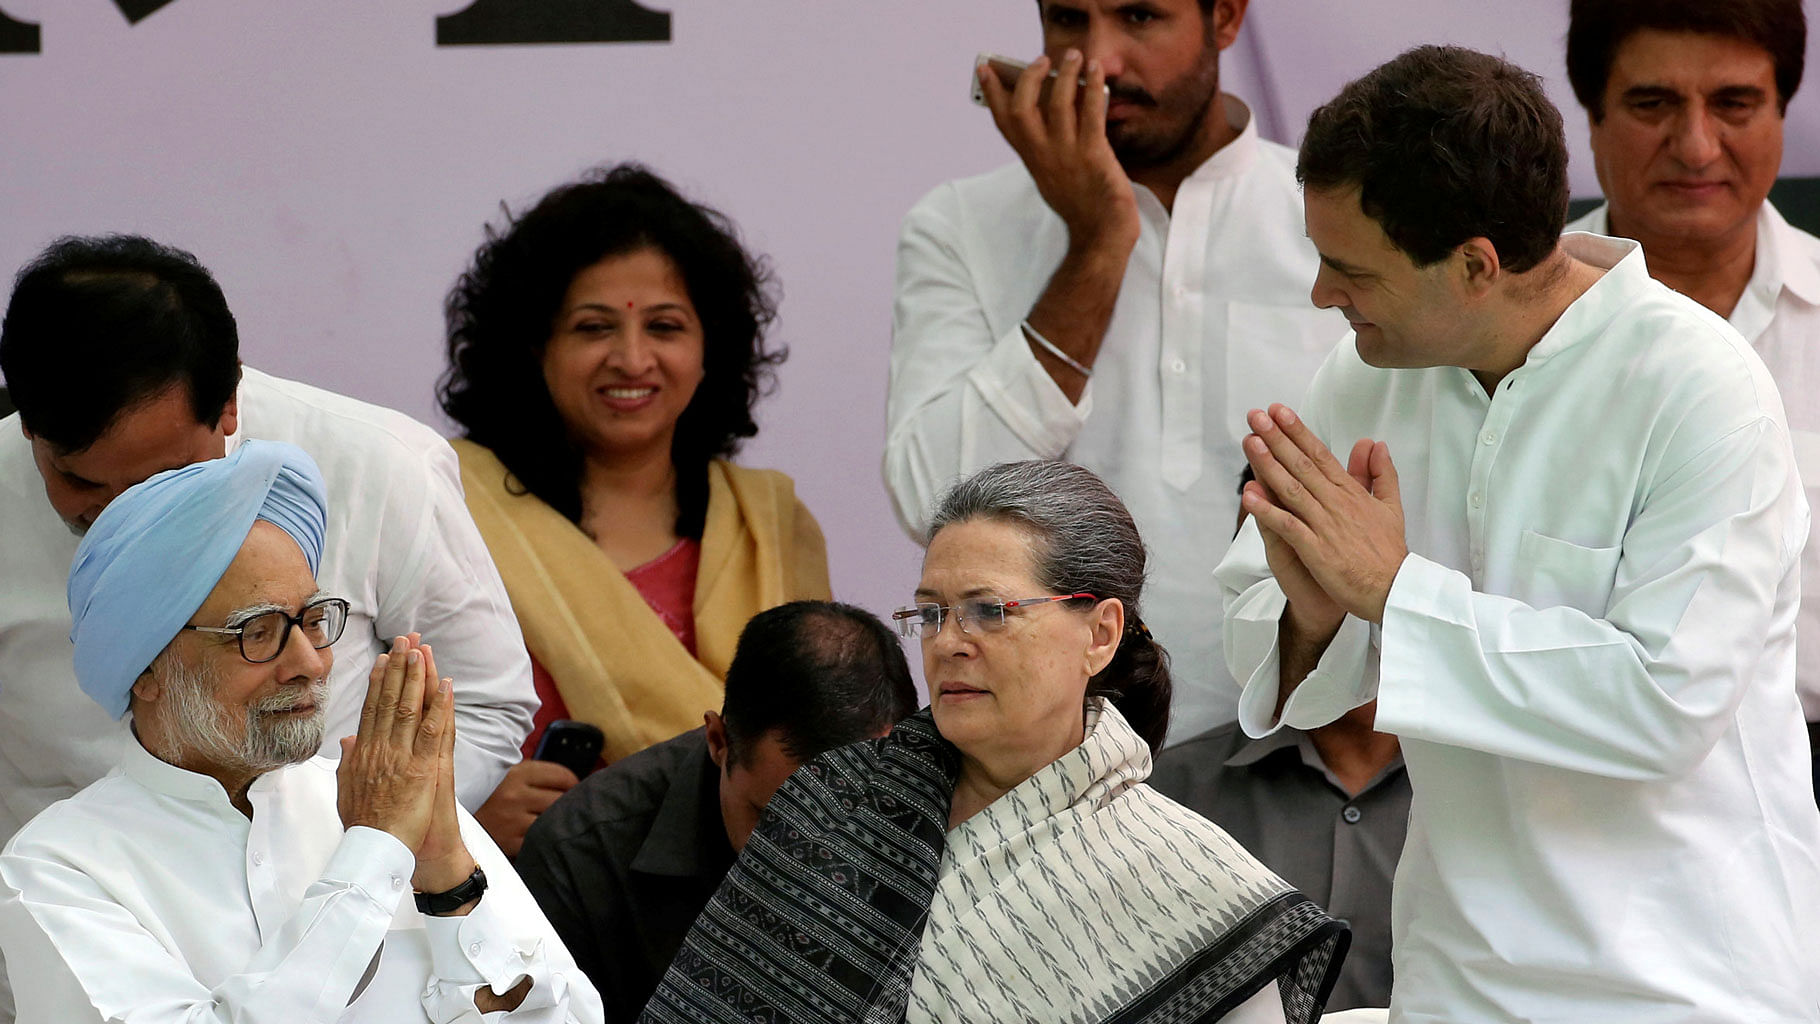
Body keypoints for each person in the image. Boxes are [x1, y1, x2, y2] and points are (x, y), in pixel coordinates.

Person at [1217, 45, 1820, 1021]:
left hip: (1687, 981)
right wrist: (1312, 613)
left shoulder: (1699, 391)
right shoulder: (1360, 375)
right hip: (1454, 977)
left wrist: (1391, 592)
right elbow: (1260, 641)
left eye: (1346, 267)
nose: (1321, 295)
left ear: (1472, 266)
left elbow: (1661, 707)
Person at [644, 460, 1348, 1024]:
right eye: (931, 613)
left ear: (1099, 634)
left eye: (989, 611)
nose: (949, 642)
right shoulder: (836, 804)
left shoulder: (1196, 881)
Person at [0, 440, 601, 1022]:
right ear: (148, 670)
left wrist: (445, 874)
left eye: (313, 621)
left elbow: (568, 1017)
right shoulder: (60, 867)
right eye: (257, 632)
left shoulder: (402, 808)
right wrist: (371, 855)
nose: (311, 663)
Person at [884, 0, 1344, 743]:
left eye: (1138, 17)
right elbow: (934, 500)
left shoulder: (1338, 222)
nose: (1098, 62)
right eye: (1068, 20)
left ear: (1225, 19)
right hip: (1043, 770)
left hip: (1299, 765)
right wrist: (1098, 243)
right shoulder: (961, 226)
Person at [0, 235, 534, 821]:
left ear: (229, 401)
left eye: (167, 481)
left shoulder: (379, 466)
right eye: (82, 486)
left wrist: (352, 851)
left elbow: (484, 704)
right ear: (26, 425)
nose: (129, 519)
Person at [440, 164, 831, 856]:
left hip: (742, 919)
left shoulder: (768, 523)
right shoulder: (449, 506)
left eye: (665, 326)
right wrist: (463, 813)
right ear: (536, 348)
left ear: (709, 346)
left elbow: (826, 751)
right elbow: (380, 737)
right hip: (518, 914)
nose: (631, 358)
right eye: (593, 328)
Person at [1561, 0, 1820, 733]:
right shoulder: (1494, 328)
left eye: (1734, 104)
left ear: (1782, 109)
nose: (1697, 147)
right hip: (1573, 790)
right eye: (1653, 104)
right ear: (1592, 114)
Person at [515, 599, 918, 1023]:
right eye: (775, 822)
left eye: (852, 825)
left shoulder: (947, 807)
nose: (812, 862)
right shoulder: (580, 854)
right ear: (718, 741)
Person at [1151, 468, 1407, 1012]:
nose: (1303, 590)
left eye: (1321, 558)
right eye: (1268, 571)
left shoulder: (1494, 798)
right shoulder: (1167, 800)